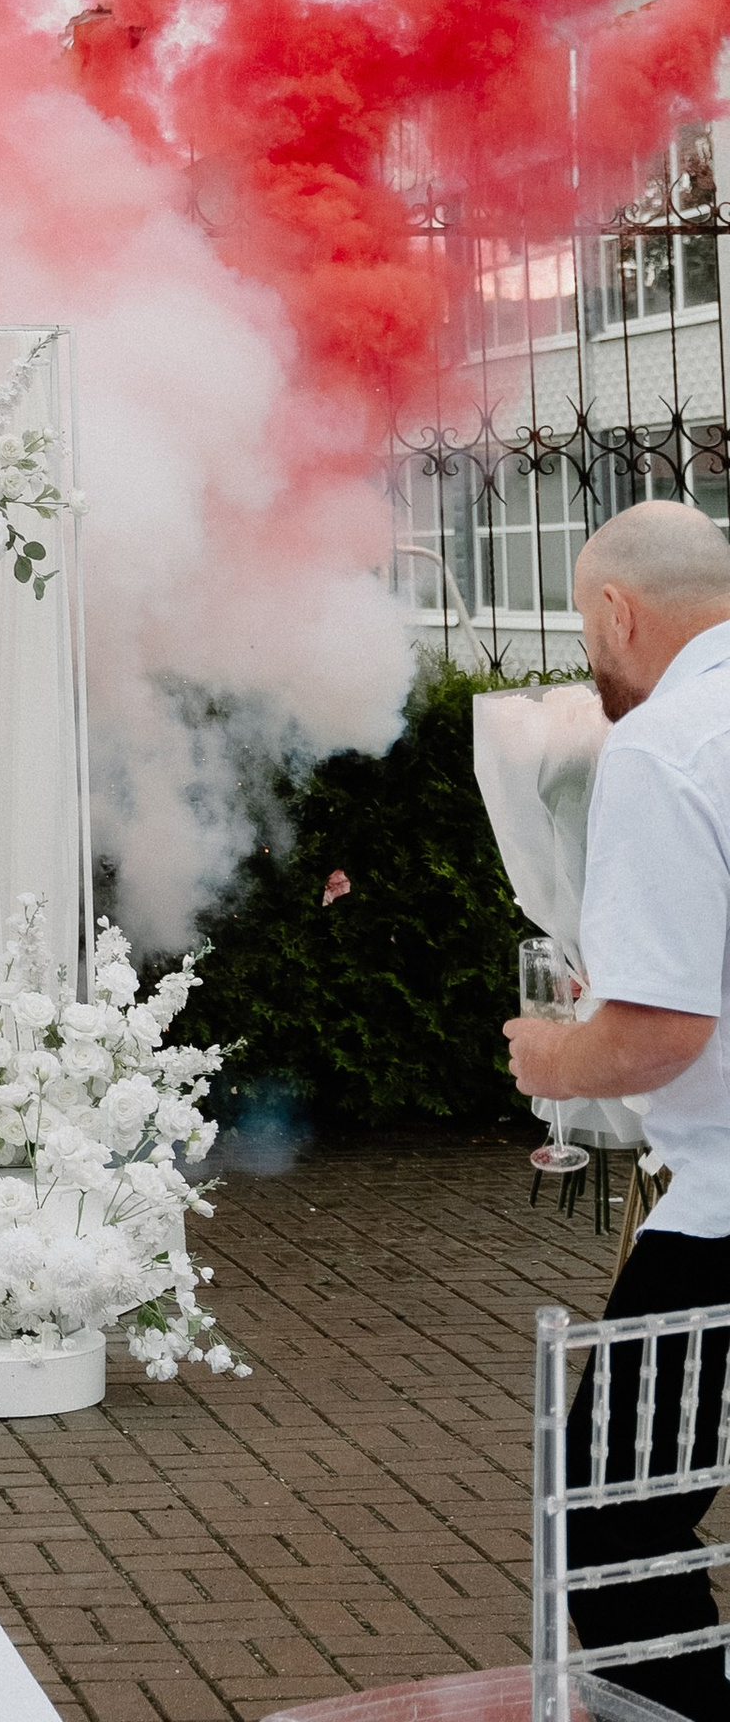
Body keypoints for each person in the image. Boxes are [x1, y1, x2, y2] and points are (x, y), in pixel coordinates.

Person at [505, 500, 730, 1718]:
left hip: (726, 1215)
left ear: (615, 611)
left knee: (614, 1516)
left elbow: (655, 1037)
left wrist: (552, 1051)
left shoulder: (665, 745)